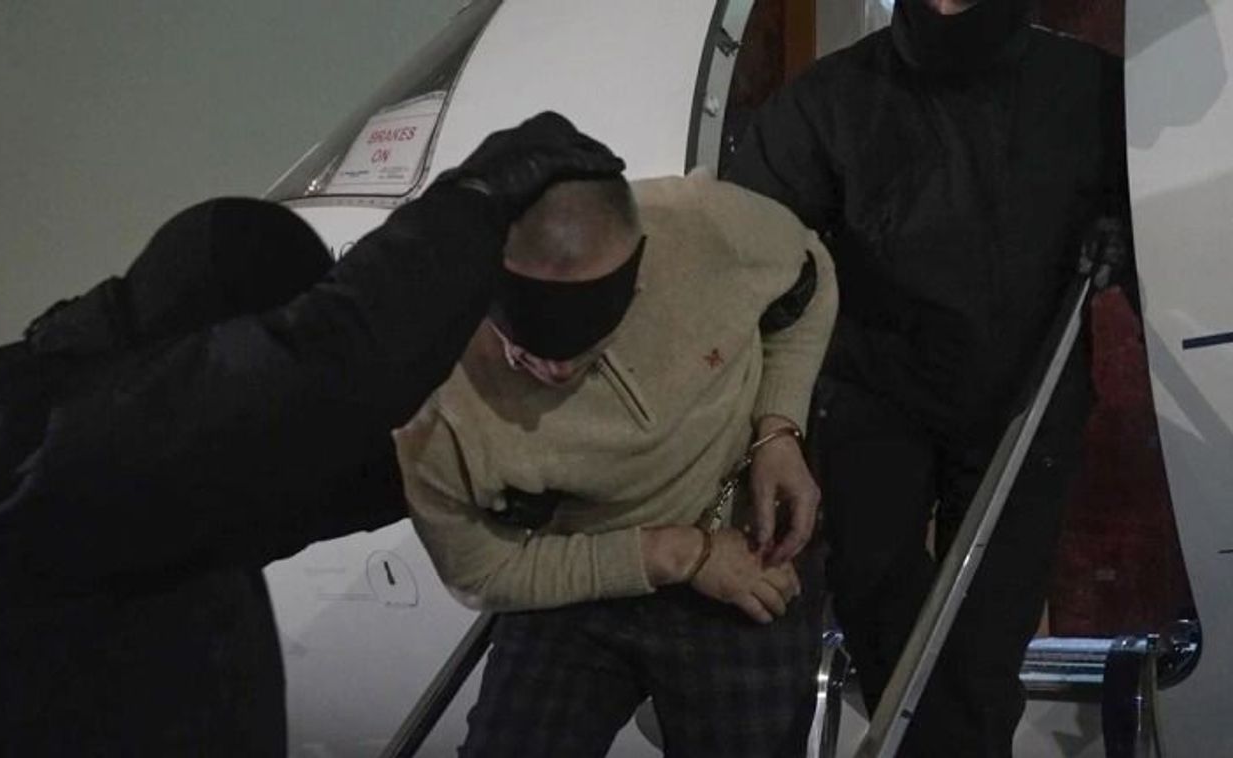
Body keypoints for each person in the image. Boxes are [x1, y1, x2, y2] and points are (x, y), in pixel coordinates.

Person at [0, 112, 624, 756]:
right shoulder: (5, 433)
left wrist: (472, 473)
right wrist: (473, 202)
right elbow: (314, 383)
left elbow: (298, 486)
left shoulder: (129, 477)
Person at [726, 1, 1132, 755]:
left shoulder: (1092, 91)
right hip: (874, 392)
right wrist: (771, 421)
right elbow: (748, 251)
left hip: (1026, 396)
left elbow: (1160, 238)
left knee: (987, 634)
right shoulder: (829, 100)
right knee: (879, 601)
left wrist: (1126, 236)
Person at [395, 170, 837, 757]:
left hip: (743, 540)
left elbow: (810, 276)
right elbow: (482, 572)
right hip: (578, 563)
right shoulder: (434, 402)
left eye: (580, 343)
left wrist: (779, 428)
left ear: (635, 282)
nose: (554, 372)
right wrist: (676, 554)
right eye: (526, 350)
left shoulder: (700, 226)